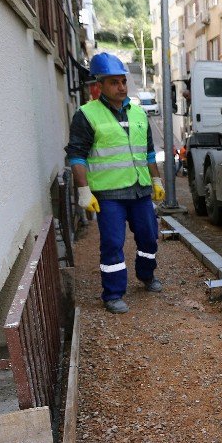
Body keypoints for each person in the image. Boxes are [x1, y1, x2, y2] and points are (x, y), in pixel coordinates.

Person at [66, 52, 166, 314]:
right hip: (109, 194)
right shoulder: (86, 115)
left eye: (123, 81)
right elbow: (77, 156)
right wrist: (84, 190)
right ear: (99, 85)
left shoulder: (139, 114)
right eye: (114, 82)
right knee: (112, 244)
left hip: (140, 190)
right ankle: (112, 293)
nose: (121, 87)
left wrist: (156, 179)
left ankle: (146, 276)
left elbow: (149, 153)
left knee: (149, 237)